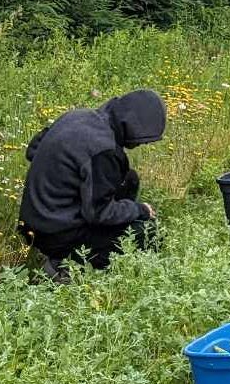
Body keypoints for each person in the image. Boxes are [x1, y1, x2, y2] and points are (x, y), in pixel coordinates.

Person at [18, 89, 165, 279]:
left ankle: (64, 251)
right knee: (148, 232)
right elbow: (98, 213)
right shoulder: (104, 150)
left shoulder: (77, 116)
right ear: (132, 127)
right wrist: (139, 210)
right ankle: (64, 265)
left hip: (33, 222)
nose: (142, 145)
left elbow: (33, 150)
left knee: (129, 180)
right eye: (143, 140)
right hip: (56, 234)